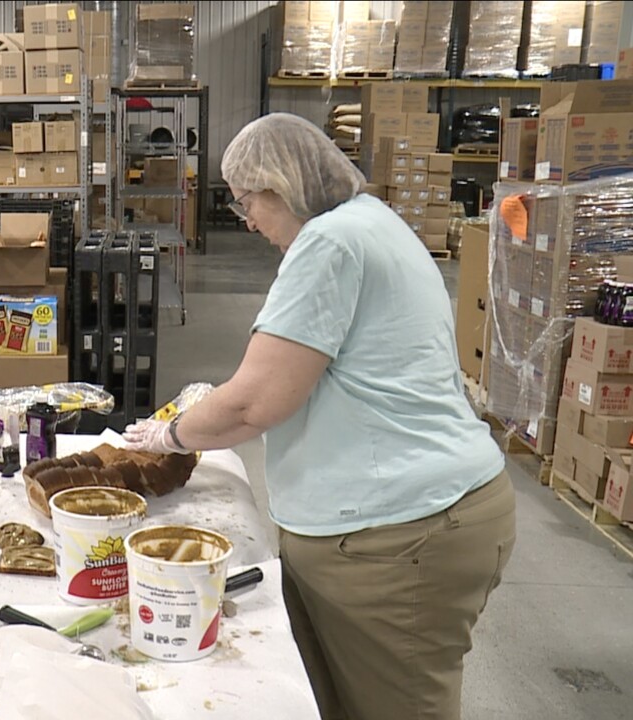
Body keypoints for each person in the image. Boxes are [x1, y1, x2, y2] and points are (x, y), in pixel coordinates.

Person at [123, 113, 515, 720]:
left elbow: (255, 402)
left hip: (400, 533)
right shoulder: (373, 222)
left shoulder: (329, 243)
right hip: (419, 517)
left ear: (283, 187)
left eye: (249, 202)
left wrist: (169, 434)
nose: (248, 220)